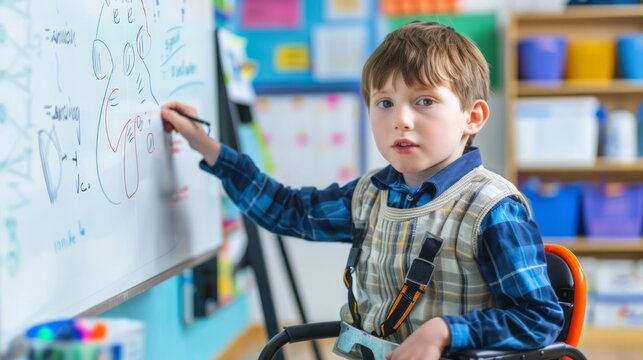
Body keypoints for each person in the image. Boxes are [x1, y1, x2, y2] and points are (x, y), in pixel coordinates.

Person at [161, 21, 563, 360]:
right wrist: (208, 147)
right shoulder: (371, 194)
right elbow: (288, 211)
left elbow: (539, 319)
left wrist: (446, 331)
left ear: (472, 117)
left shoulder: (492, 209)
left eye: (424, 100)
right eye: (384, 102)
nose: (401, 120)